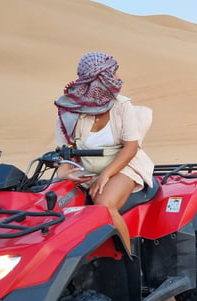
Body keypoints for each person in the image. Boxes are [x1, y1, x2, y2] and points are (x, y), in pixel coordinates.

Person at [54, 52, 154, 249]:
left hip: (122, 165)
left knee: (103, 206)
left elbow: (131, 147)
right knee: (55, 206)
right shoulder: (69, 110)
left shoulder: (122, 105)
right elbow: (66, 151)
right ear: (99, 78)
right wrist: (64, 172)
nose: (118, 79)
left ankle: (128, 260)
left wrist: (105, 176)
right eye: (113, 74)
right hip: (85, 169)